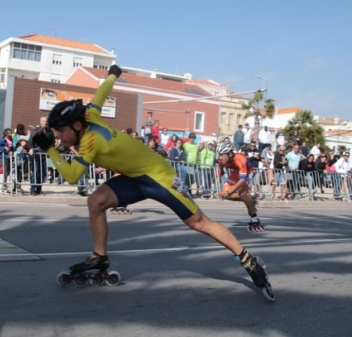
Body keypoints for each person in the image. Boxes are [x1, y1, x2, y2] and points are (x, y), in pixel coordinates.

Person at [32, 65, 274, 301]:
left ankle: (247, 259)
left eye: (60, 131)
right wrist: (112, 76)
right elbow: (101, 94)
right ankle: (99, 257)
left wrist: (50, 150)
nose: (58, 137)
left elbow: (73, 175)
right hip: (135, 177)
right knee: (96, 201)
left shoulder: (91, 140)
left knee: (200, 223)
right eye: (55, 134)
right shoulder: (89, 117)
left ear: (76, 126)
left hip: (161, 178)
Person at [215, 141, 264, 232]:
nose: (220, 157)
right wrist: (221, 172)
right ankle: (251, 200)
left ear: (229, 154)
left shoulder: (240, 159)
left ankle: (254, 217)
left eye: (222, 155)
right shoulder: (221, 159)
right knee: (224, 194)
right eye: (219, 155)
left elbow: (242, 179)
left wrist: (230, 191)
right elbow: (221, 165)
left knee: (242, 193)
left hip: (247, 173)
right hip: (235, 172)